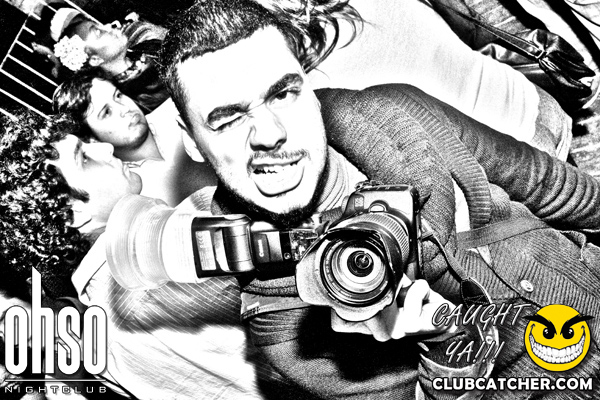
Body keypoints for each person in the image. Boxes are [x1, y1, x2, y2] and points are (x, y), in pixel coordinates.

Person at [158, 0, 600, 398]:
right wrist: (443, 344)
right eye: (228, 119)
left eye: (284, 93)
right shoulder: (282, 318)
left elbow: (548, 184)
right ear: (192, 140)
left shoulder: (393, 112)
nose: (270, 135)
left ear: (309, 84)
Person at [0, 111, 306, 399]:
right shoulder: (187, 241)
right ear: (72, 212)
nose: (105, 148)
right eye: (84, 158)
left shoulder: (101, 350)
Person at [53, 69, 216, 206]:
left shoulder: (179, 109)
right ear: (92, 140)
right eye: (107, 112)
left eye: (118, 96)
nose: (124, 108)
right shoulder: (130, 191)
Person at [35, 3, 168, 113]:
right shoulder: (136, 97)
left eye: (100, 26)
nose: (109, 26)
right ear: (95, 60)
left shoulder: (148, 46)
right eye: (98, 32)